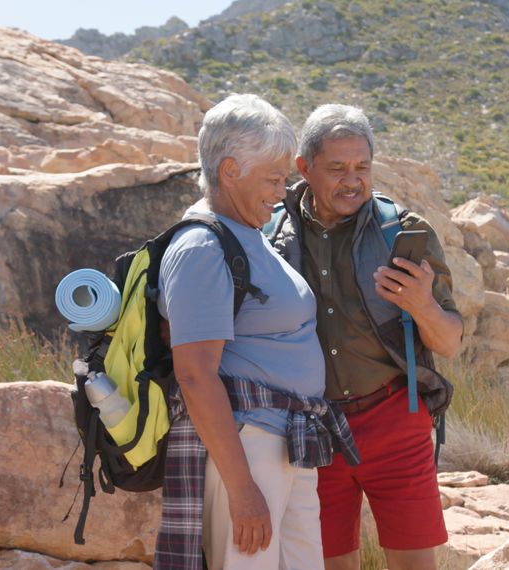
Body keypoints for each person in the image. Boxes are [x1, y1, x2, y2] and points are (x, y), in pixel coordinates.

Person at [152, 94, 359, 570]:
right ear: (230, 171)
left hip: (286, 445)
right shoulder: (202, 247)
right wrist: (242, 487)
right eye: (272, 178)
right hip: (249, 449)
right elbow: (195, 374)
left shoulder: (248, 235)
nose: (282, 192)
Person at [266, 104, 464, 570]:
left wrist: (422, 305)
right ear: (304, 167)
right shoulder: (269, 233)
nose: (352, 180)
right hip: (313, 425)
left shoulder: (404, 232)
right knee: (329, 562)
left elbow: (450, 341)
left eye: (362, 167)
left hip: (395, 418)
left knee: (414, 565)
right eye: (337, 168)